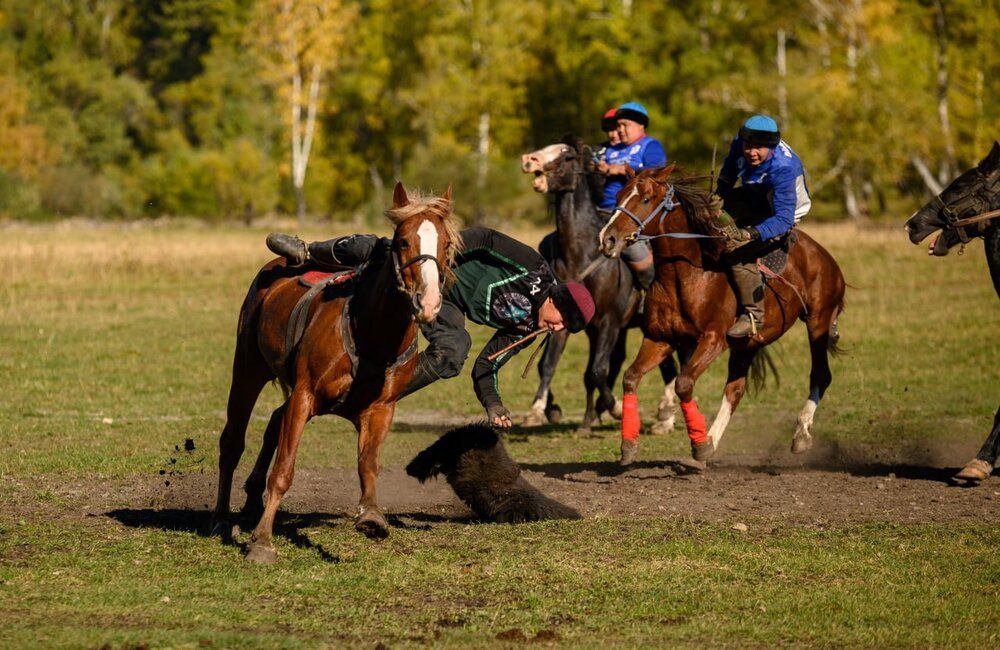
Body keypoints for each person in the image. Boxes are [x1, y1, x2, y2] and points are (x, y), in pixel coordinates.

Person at [265, 227, 595, 428]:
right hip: (438, 267)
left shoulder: (528, 327)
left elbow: (486, 365)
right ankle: (308, 251)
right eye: (562, 321)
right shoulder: (534, 268)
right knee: (382, 250)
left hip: (448, 305)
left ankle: (376, 394)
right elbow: (487, 239)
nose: (557, 328)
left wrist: (494, 406)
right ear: (554, 300)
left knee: (454, 352)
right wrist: (439, 255)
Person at [714, 114, 812, 340]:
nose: (751, 152)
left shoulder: (784, 167)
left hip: (783, 211)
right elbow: (730, 167)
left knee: (737, 250)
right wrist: (720, 193)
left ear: (772, 146)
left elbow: (783, 218)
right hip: (756, 193)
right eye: (748, 146)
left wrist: (750, 233)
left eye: (759, 148)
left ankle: (752, 316)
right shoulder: (741, 143)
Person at [597, 102, 668, 288]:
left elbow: (656, 172)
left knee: (636, 254)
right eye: (617, 125)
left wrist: (618, 169)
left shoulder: (649, 145)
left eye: (624, 125)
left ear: (640, 125)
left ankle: (647, 294)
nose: (619, 130)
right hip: (600, 210)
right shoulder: (610, 149)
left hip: (631, 215)